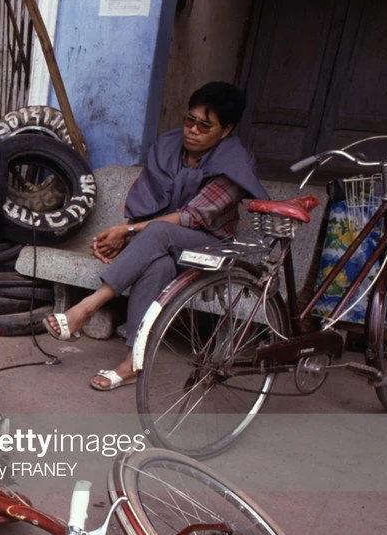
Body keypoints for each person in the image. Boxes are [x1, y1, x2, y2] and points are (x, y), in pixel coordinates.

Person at [44, 82, 268, 391]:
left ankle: (87, 307)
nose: (192, 130)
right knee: (156, 265)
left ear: (226, 129)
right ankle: (133, 361)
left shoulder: (235, 164)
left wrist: (129, 232)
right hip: (162, 244)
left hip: (210, 248)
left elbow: (193, 217)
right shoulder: (168, 146)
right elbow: (146, 201)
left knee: (160, 233)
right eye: (189, 120)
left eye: (205, 126)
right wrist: (129, 237)